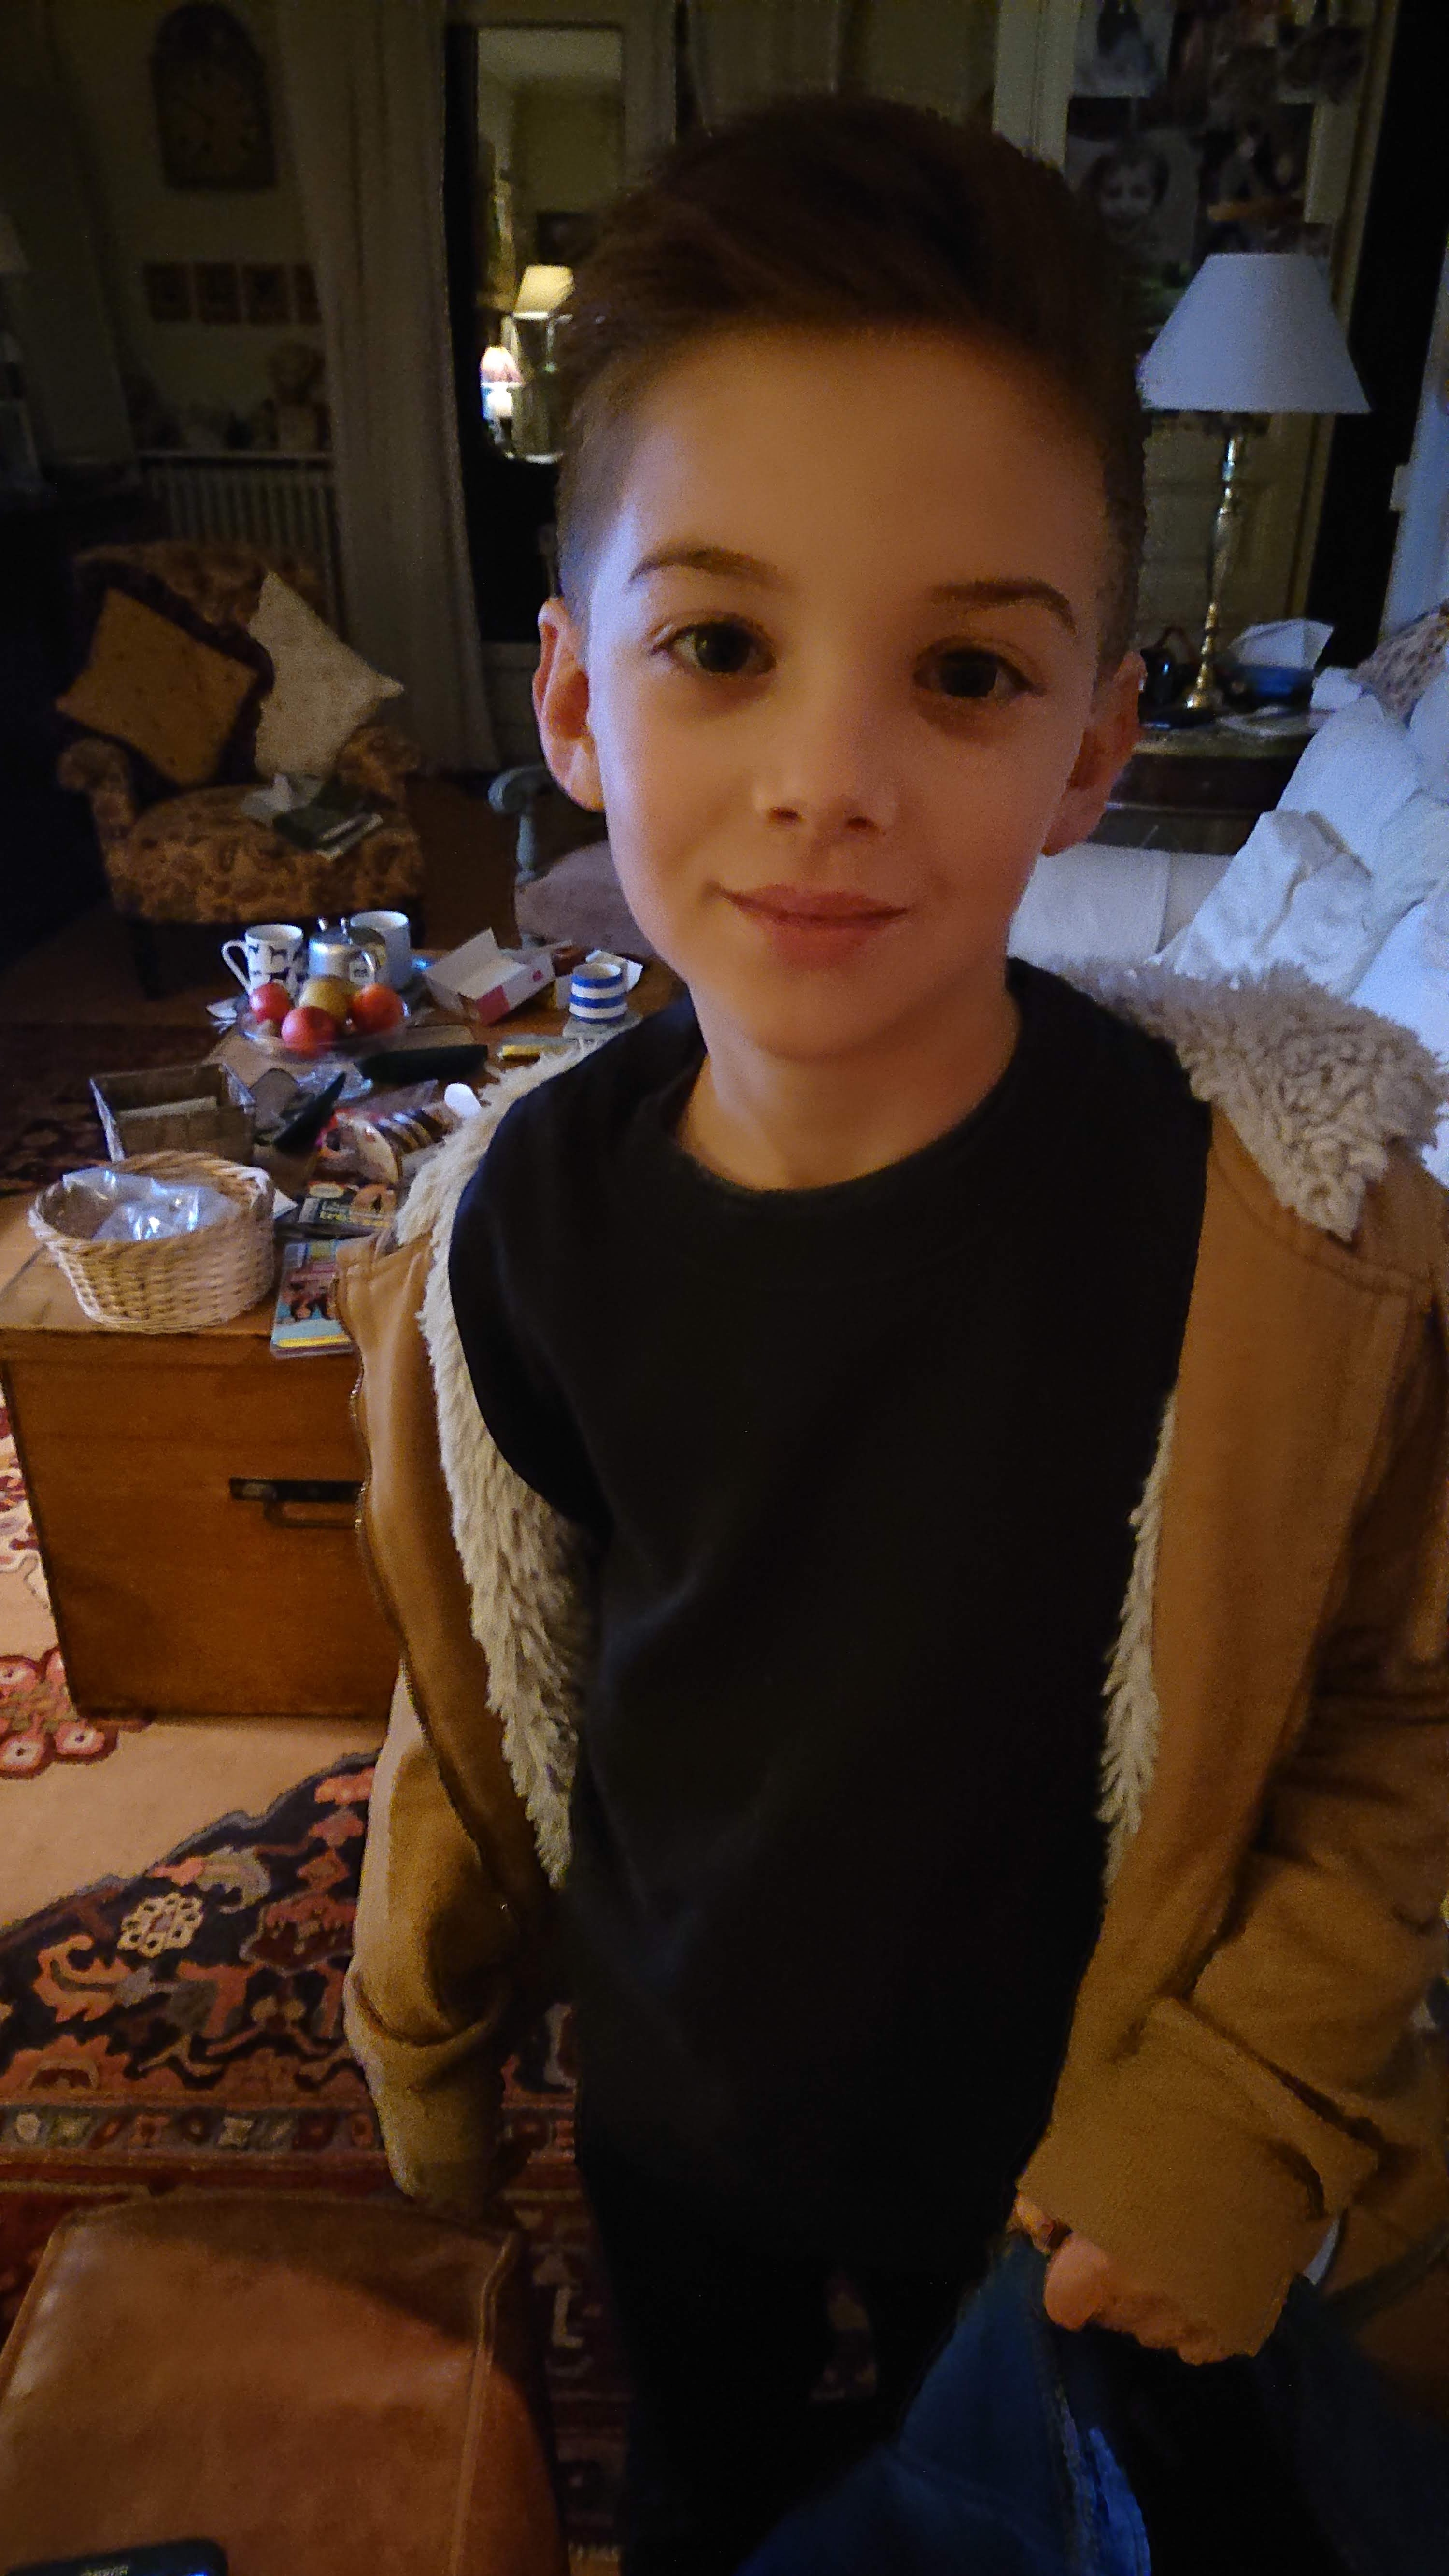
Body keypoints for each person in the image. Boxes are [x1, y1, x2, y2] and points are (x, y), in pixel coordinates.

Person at [335, 97, 1449, 2576]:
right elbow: (486, 1663)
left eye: (962, 670)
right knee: (717, 2505)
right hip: (678, 2109)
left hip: (1076, 2152)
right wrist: (426, 2018)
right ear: (576, 700)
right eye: (723, 645)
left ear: (1091, 747)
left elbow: (1404, 1715)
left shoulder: (1289, 1246)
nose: (829, 780)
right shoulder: (503, 1235)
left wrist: (1245, 2107)